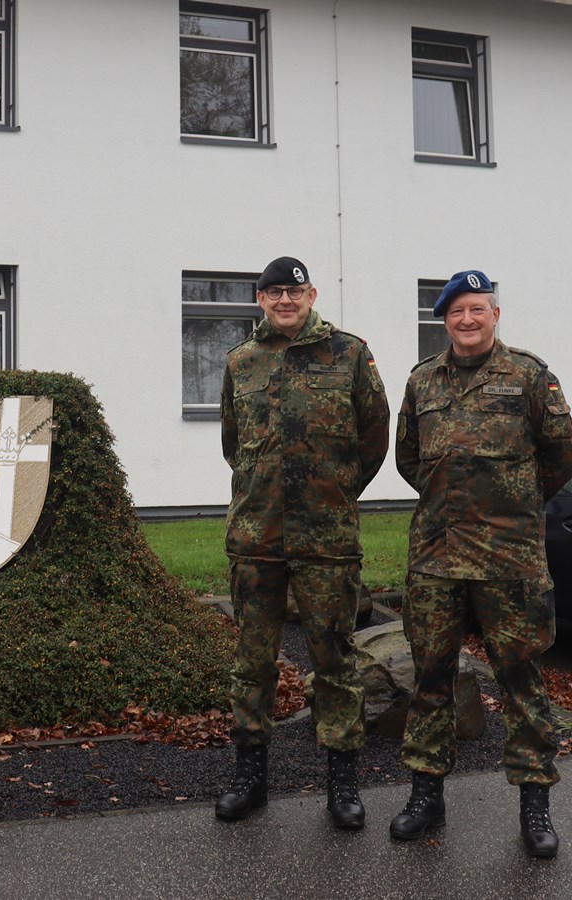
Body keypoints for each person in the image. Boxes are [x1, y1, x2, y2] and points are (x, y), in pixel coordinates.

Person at [391, 270, 572, 858]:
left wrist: (512, 504)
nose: (466, 320)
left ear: (495, 314)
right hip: (437, 558)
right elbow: (409, 459)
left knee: (522, 680)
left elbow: (560, 455)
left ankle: (535, 804)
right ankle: (425, 794)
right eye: (455, 312)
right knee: (430, 678)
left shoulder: (530, 375)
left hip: (509, 560)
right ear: (444, 320)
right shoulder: (422, 381)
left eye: (477, 309)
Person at [217, 256, 389, 829]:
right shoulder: (241, 361)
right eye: (272, 293)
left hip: (327, 540)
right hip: (257, 536)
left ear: (311, 294)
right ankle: (250, 778)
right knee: (252, 662)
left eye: (294, 292)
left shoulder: (350, 353)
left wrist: (336, 491)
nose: (284, 301)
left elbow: (373, 438)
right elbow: (232, 443)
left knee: (335, 660)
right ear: (259, 299)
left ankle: (342, 784)